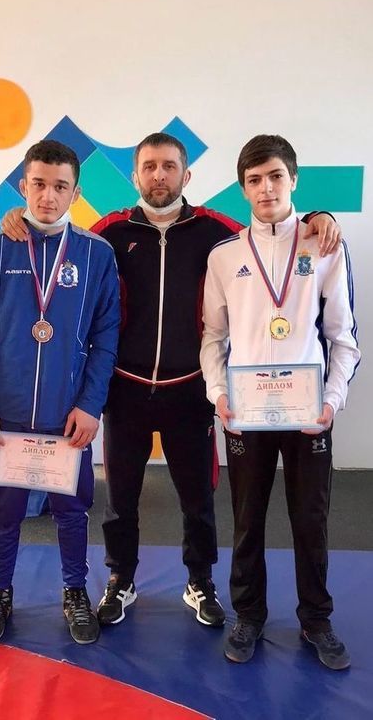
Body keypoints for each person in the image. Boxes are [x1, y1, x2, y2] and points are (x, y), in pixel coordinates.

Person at [1, 132, 340, 629]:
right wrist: (19, 220)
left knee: (197, 497)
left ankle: (200, 580)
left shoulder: (215, 231)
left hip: (190, 388)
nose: (159, 175)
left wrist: (319, 216)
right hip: (126, 387)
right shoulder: (110, 231)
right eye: (149, 166)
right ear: (135, 175)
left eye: (169, 166)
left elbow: (270, 229)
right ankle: (121, 578)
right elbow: (60, 243)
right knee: (121, 498)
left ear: (187, 174)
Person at [200, 134, 360, 669]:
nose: (265, 188)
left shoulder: (324, 245)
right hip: (246, 414)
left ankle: (317, 619)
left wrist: (331, 402)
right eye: (254, 180)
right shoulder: (224, 256)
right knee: (247, 519)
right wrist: (219, 394)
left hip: (309, 413)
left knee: (310, 520)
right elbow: (212, 337)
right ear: (243, 188)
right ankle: (248, 615)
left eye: (275, 176)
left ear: (293, 180)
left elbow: (343, 338)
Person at [0, 140, 119, 645]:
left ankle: (75, 592)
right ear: (22, 185)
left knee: (71, 511)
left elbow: (106, 337)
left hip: (66, 413)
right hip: (5, 414)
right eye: (38, 184)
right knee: (4, 512)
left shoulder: (96, 254)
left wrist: (91, 405)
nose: (48, 196)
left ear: (76, 193)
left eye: (60, 186)